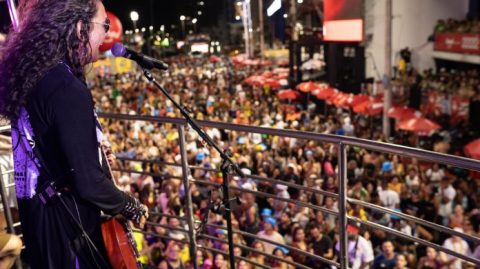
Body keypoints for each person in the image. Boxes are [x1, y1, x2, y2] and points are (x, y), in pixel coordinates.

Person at [0, 1, 148, 268]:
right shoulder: (67, 88)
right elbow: (88, 183)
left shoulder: (40, 75)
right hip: (68, 231)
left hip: (40, 220)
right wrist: (131, 205)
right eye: (103, 25)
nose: (105, 35)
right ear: (80, 27)